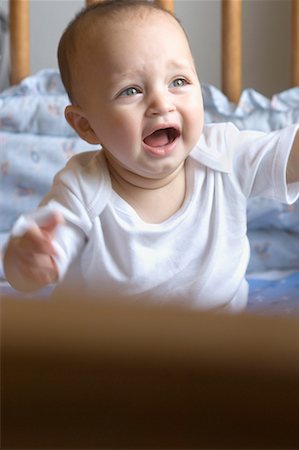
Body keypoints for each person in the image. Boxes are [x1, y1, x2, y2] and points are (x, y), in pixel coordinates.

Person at [3, 0, 299, 311]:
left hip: (218, 345)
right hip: (114, 347)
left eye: (179, 82)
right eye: (131, 90)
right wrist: (28, 261)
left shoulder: (224, 153)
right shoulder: (81, 188)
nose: (162, 103)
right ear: (86, 125)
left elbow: (286, 158)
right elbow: (41, 259)